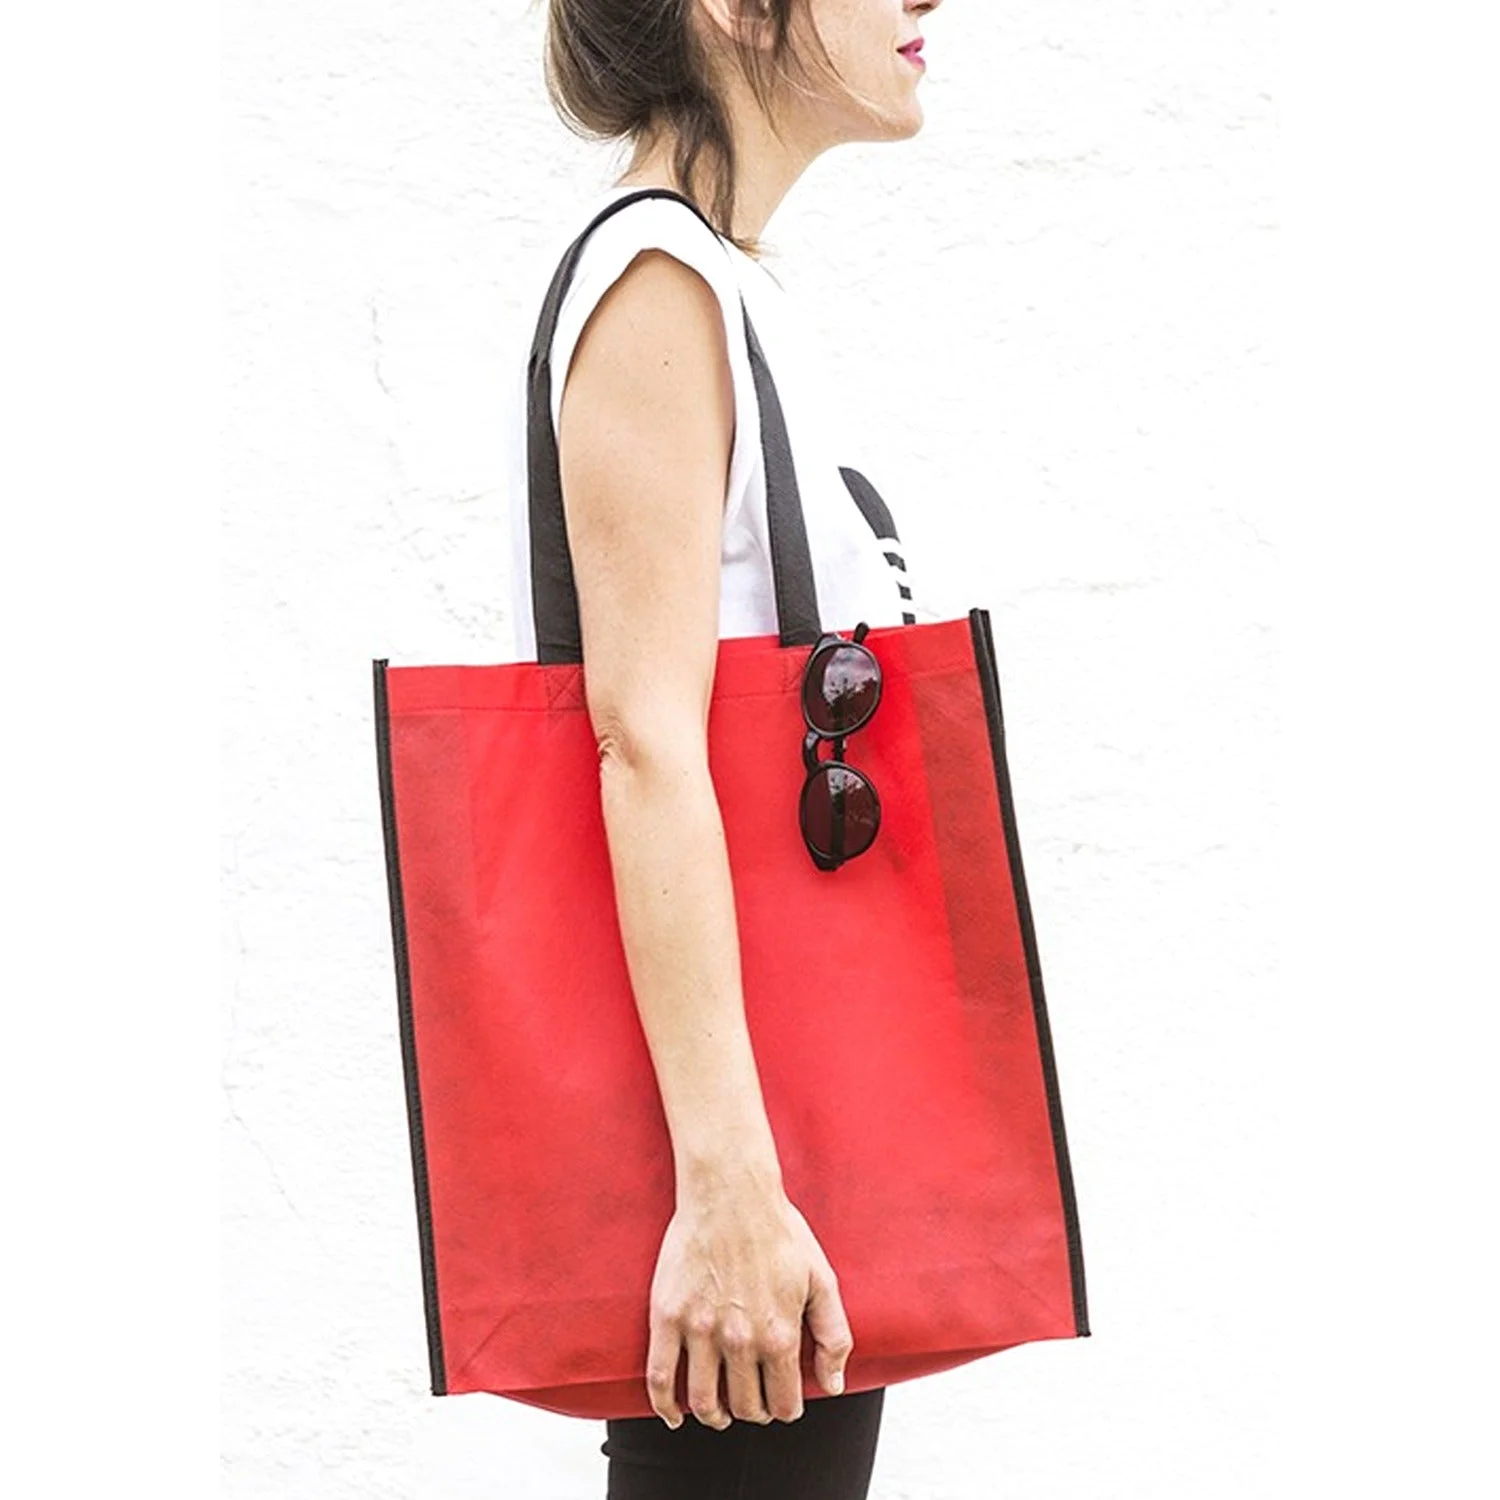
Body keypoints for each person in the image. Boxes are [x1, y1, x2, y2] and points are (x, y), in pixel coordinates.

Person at [506, 3, 947, 1495]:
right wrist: (727, 1188)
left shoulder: (720, 284)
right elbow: (643, 739)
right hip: (741, 1152)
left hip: (783, 1131)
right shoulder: (658, 280)